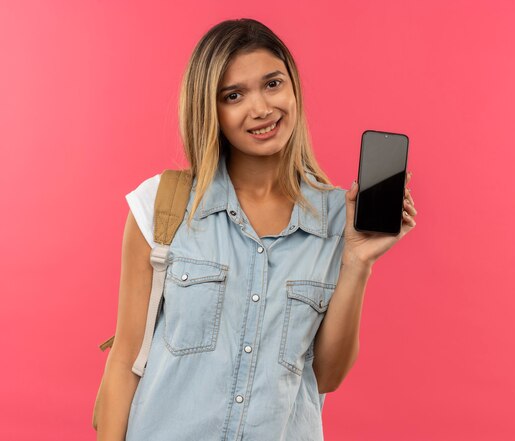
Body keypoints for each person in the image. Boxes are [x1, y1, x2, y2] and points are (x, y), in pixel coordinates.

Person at [95, 18, 417, 441]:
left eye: (272, 84)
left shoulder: (340, 218)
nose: (262, 108)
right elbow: (124, 362)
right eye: (234, 95)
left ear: (293, 87)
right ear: (210, 109)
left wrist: (356, 261)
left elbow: (327, 377)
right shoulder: (161, 205)